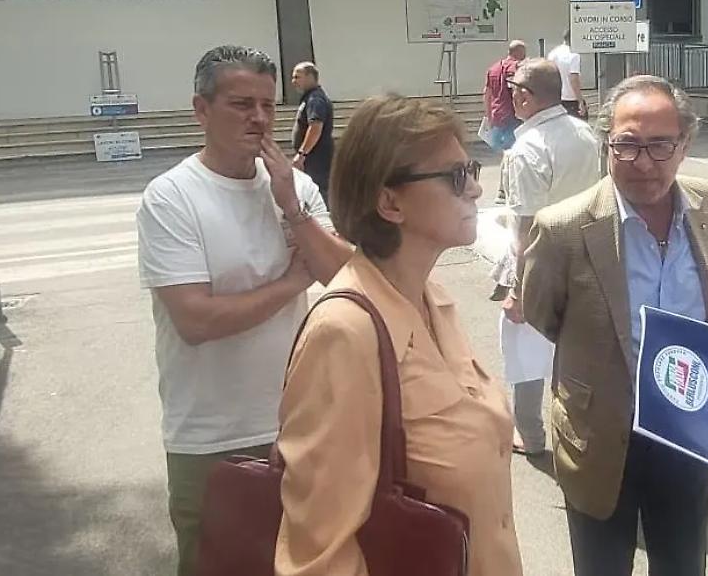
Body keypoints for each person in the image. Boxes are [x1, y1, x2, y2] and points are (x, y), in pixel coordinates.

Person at [275, 95, 522, 576]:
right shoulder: (345, 332)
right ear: (389, 201)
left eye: (470, 169)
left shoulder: (433, 298)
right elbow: (316, 554)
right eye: (455, 176)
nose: (474, 189)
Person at [136, 45, 351, 576]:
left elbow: (343, 275)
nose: (258, 118)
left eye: (267, 104)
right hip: (212, 437)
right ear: (200, 109)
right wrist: (290, 283)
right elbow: (196, 321)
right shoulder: (171, 198)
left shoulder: (294, 187)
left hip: (300, 425)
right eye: (240, 104)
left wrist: (292, 207)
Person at [521, 75, 708, 576]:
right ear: (606, 144)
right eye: (628, 145)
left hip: (686, 429)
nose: (644, 163)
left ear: (685, 145)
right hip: (599, 434)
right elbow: (542, 313)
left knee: (682, 563)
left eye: (661, 145)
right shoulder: (562, 227)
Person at [499, 58, 600, 456]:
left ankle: (532, 435)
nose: (511, 98)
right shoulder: (585, 133)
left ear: (525, 96)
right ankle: (579, 434)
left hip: (541, 264)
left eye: (513, 92)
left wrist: (518, 289)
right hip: (585, 255)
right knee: (575, 350)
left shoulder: (528, 147)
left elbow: (527, 225)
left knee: (523, 349)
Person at [483, 40, 527, 202]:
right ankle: (504, 191)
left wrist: (489, 117)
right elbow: (515, 91)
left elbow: (486, 94)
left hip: (497, 116)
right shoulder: (515, 68)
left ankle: (504, 189)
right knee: (512, 154)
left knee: (506, 153)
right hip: (512, 117)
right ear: (520, 52)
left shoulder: (493, 68)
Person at [290, 61, 334, 206]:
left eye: (298, 77)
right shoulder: (310, 98)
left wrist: (302, 154)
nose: (293, 81)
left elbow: (315, 127)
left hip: (317, 159)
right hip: (312, 158)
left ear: (310, 77)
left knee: (319, 194)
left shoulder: (315, 99)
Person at [547, 29, 587, 119]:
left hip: (556, 98)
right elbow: (574, 79)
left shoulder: (553, 53)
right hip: (571, 99)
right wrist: (580, 101)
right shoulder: (574, 55)